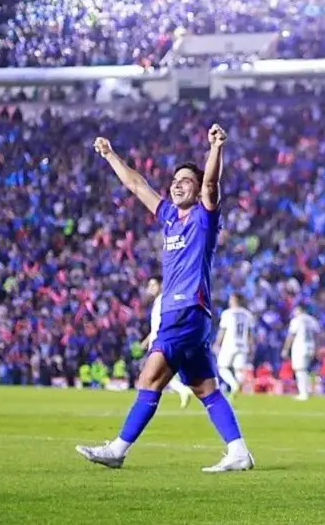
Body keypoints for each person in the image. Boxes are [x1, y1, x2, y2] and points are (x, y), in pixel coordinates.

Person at [77, 124, 255, 473]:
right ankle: (238, 451)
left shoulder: (204, 217)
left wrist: (216, 148)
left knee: (149, 379)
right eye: (175, 180)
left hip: (184, 309)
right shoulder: (170, 217)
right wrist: (111, 154)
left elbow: (211, 185)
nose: (177, 184)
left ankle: (118, 449)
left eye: (186, 180)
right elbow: (136, 185)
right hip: (192, 315)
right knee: (205, 388)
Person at [141, 277, 196, 408]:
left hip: (161, 344)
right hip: (159, 342)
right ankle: (183, 390)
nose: (150, 288)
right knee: (161, 375)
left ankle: (183, 390)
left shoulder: (164, 301)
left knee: (154, 376)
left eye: (153, 285)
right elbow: (157, 326)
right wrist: (146, 341)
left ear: (161, 285)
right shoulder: (159, 302)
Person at [214, 294, 255, 397]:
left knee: (222, 367)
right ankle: (239, 388)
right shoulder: (248, 314)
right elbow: (249, 333)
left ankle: (234, 385)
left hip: (229, 344)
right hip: (242, 345)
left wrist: (217, 343)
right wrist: (251, 346)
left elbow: (222, 330)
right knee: (239, 369)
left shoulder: (227, 313)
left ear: (234, 300)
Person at [283, 305, 319, 401]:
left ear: (300, 310)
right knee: (306, 370)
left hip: (300, 346)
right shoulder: (312, 320)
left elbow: (291, 335)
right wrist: (317, 348)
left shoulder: (296, 320)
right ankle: (307, 391)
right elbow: (318, 335)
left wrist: (286, 349)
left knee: (300, 370)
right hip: (311, 346)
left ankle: (303, 393)